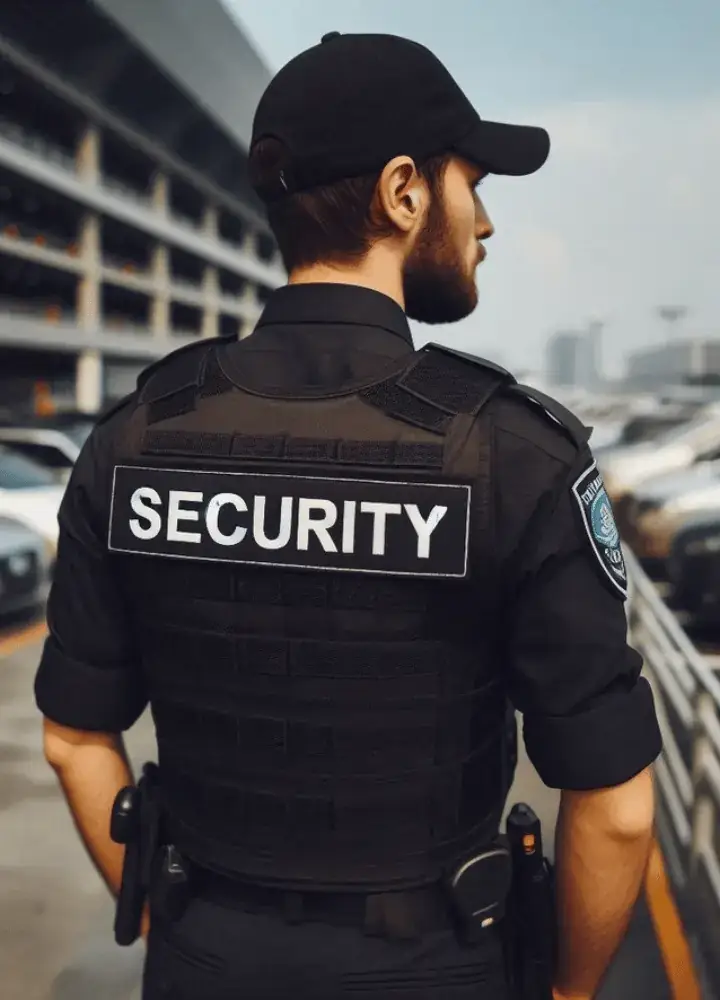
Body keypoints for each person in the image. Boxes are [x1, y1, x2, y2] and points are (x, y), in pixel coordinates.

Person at [35, 31, 661, 1000]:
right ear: (404, 192)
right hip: (437, 965)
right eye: (472, 183)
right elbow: (615, 808)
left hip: (202, 961)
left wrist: (178, 933)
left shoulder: (135, 436)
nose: (487, 221)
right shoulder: (513, 453)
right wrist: (570, 991)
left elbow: (73, 738)